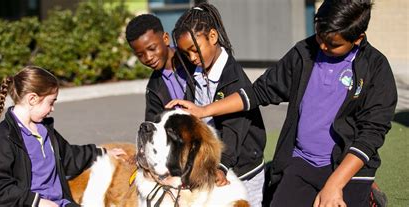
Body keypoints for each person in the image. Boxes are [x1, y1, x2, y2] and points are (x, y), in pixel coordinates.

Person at [167, 0, 397, 206]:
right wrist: (204, 109)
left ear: (357, 39)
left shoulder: (376, 68)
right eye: (320, 37)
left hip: (346, 169)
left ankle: (366, 196)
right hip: (302, 162)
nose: (323, 47)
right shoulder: (304, 53)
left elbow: (371, 134)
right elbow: (258, 91)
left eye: (333, 45)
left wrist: (335, 185)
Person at [0, 66, 126, 207]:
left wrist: (102, 153)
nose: (53, 108)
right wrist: (37, 202)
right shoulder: (5, 137)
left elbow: (69, 155)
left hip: (61, 203)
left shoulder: (44, 129)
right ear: (32, 99)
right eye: (51, 102)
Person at [172, 3, 267, 207]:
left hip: (243, 169)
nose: (192, 58)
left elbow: (234, 130)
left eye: (194, 50)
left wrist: (222, 166)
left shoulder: (234, 79)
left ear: (212, 37)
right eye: (186, 54)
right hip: (213, 167)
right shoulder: (195, 73)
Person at [125, 14, 195, 122]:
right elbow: (153, 125)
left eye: (152, 48)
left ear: (166, 39)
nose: (148, 57)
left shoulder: (194, 60)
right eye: (140, 55)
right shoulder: (153, 88)